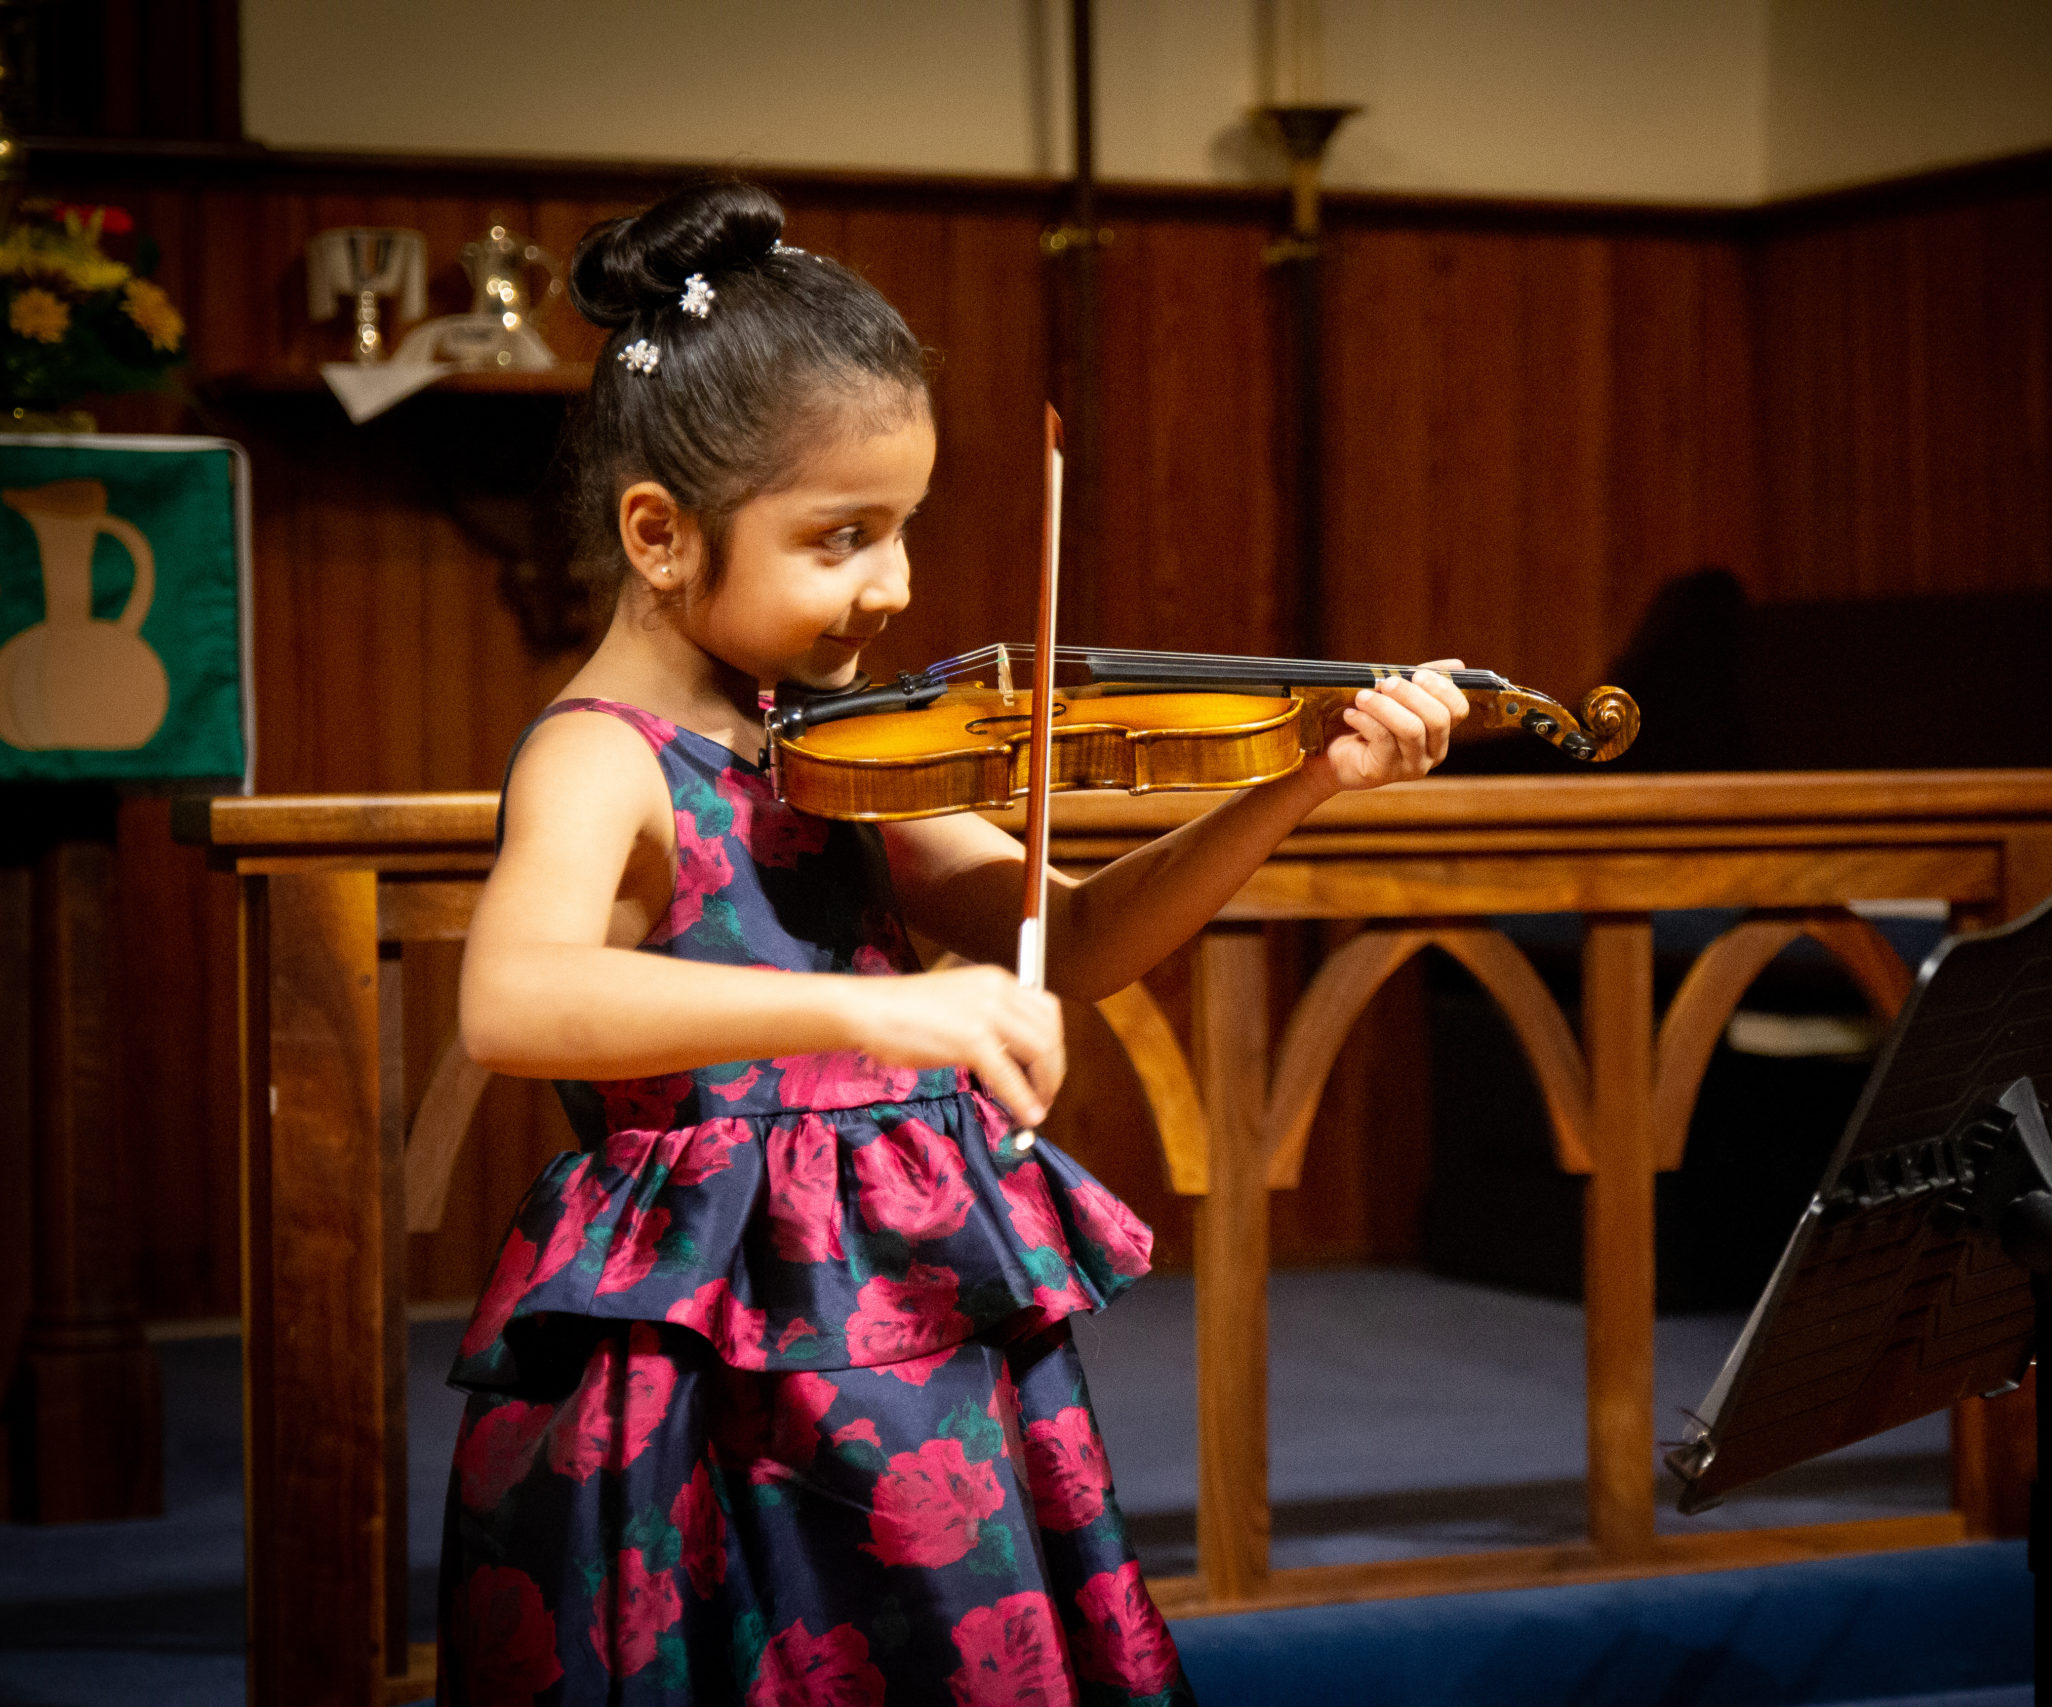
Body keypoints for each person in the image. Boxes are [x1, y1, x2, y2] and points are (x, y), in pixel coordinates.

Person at [439, 179, 1469, 1707]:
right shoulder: (604, 755)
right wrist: (877, 1017)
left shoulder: (829, 745)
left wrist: (1298, 779)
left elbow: (1082, 936)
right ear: (659, 533)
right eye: (841, 537)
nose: (898, 584)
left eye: (905, 527)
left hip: (901, 1321)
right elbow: (514, 998)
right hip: (710, 1354)